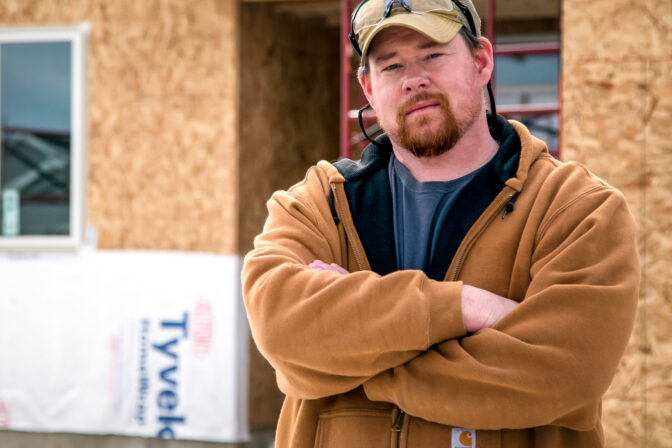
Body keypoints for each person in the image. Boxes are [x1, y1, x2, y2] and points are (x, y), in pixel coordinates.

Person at [242, 0, 640, 446]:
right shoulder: (320, 203)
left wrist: (350, 355)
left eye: (432, 54)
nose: (414, 79)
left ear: (481, 61)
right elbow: (279, 321)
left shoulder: (576, 210)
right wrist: (464, 307)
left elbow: (567, 371)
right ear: (369, 89)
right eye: (391, 66)